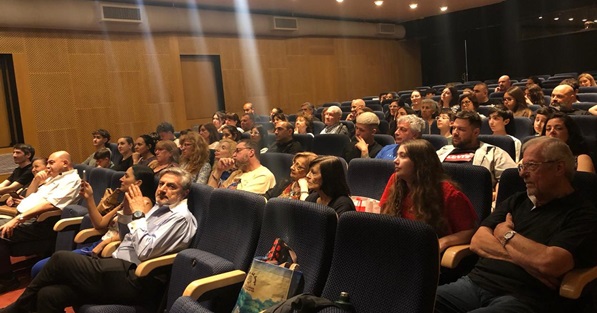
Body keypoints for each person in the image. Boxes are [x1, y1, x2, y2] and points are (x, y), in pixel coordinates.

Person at [435, 137, 597, 313]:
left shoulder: (582, 213)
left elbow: (550, 263)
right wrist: (527, 262)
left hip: (525, 297)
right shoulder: (517, 200)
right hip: (474, 283)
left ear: (558, 168)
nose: (522, 174)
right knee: (415, 301)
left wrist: (505, 234)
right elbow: (478, 241)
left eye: (532, 166)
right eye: (522, 166)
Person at [4, 167, 197, 311]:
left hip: (137, 278)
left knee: (60, 259)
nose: (163, 189)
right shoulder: (159, 208)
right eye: (161, 183)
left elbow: (145, 252)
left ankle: (18, 307)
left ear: (185, 193)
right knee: (49, 295)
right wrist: (127, 213)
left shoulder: (181, 218)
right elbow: (125, 236)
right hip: (116, 266)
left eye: (171, 186)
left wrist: (138, 214)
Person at [30, 165, 156, 278]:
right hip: (97, 244)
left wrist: (106, 242)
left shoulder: (144, 203)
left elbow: (134, 234)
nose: (121, 179)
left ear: (138, 183)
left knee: (41, 268)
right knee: (41, 267)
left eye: (126, 176)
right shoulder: (126, 202)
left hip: (108, 250)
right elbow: (100, 224)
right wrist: (89, 197)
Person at [0, 151, 81, 293]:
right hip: (26, 216)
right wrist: (36, 181)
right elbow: (30, 196)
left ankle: (8, 280)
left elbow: (50, 205)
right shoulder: (55, 178)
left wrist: (18, 219)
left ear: (65, 163)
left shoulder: (72, 181)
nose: (47, 166)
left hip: (42, 222)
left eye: (51, 162)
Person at [379, 139, 477, 253]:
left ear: (420, 163)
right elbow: (385, 214)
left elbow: (469, 231)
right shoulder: (396, 179)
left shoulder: (448, 192)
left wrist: (444, 242)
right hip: (399, 245)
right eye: (397, 155)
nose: (395, 160)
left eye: (403, 156)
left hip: (426, 252)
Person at [436, 111, 517, 188]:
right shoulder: (443, 151)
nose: (455, 133)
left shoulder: (495, 153)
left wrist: (496, 193)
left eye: (461, 129)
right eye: (454, 128)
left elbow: (512, 179)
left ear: (476, 132)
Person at [208, 140, 276, 194]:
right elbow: (210, 194)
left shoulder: (263, 175)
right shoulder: (237, 173)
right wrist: (218, 171)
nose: (233, 155)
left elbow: (240, 202)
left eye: (238, 151)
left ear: (251, 152)